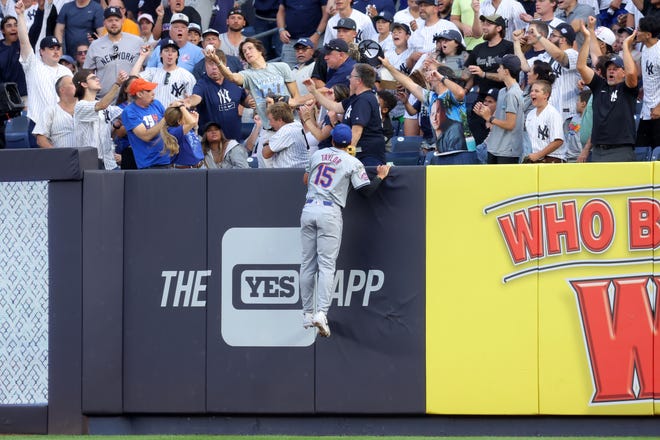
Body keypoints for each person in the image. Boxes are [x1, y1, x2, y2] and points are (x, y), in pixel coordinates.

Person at [299, 123, 391, 337]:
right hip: (330, 212)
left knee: (307, 264)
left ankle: (306, 313)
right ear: (349, 143)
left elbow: (305, 180)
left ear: (331, 140)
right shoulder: (352, 161)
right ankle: (321, 312)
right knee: (327, 265)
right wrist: (381, 176)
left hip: (309, 207)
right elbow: (366, 191)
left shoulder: (318, 155)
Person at [576, 22, 638, 162]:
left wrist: (626, 47)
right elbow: (581, 66)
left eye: (615, 68)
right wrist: (587, 38)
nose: (611, 70)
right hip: (598, 150)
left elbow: (632, 73)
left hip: (621, 150)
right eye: (609, 68)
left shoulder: (627, 89)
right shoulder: (599, 86)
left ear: (623, 72)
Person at [16, 0, 73, 147]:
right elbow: (24, 42)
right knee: (38, 168)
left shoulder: (66, 70)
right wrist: (20, 15)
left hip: (62, 125)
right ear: (41, 51)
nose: (56, 51)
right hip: (38, 126)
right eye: (51, 48)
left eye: (58, 48)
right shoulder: (33, 66)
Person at [305, 63, 386, 165]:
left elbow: (356, 132)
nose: (349, 79)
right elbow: (333, 106)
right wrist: (314, 91)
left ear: (359, 80)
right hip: (359, 155)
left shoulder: (364, 100)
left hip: (367, 156)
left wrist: (346, 157)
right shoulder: (355, 99)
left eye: (351, 76)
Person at [462, 13, 513, 145]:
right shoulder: (478, 48)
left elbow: (509, 76)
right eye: (483, 23)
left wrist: (483, 73)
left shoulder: (508, 47)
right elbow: (466, 74)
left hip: (502, 101)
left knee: (497, 142)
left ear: (499, 28)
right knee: (477, 141)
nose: (484, 27)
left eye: (488, 24)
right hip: (481, 101)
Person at [189, 48, 252, 140]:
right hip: (210, 143)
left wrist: (250, 102)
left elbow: (244, 100)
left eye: (217, 63)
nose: (214, 67)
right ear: (205, 65)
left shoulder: (233, 80)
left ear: (224, 65)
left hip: (234, 140)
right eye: (210, 63)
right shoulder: (202, 84)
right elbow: (196, 97)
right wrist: (189, 102)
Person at [473, 54, 524, 163]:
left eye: (500, 68)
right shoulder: (502, 92)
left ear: (506, 71)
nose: (497, 70)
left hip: (507, 151)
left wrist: (489, 118)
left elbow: (510, 124)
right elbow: (498, 119)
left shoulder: (513, 94)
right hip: (494, 148)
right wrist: (483, 113)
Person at [73, 68, 127, 169]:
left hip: (109, 162)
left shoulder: (107, 107)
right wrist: (117, 84)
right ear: (84, 84)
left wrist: (116, 126)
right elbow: (101, 105)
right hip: (90, 162)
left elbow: (126, 115)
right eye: (93, 78)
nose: (97, 79)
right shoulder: (80, 106)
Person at [83, 6, 142, 97]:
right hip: (104, 99)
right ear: (104, 23)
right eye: (110, 20)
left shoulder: (137, 41)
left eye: (116, 20)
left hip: (132, 99)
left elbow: (146, 67)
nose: (113, 23)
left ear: (122, 21)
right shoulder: (95, 45)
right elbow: (88, 73)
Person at [121, 77, 173, 169]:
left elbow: (169, 127)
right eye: (149, 91)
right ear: (139, 94)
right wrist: (166, 118)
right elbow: (145, 136)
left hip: (167, 159)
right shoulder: (129, 111)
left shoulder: (156, 104)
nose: (153, 93)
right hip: (149, 164)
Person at [131, 39, 196, 106]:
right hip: (155, 114)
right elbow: (133, 80)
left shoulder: (187, 76)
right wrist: (142, 56)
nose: (170, 54)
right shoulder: (153, 72)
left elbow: (192, 100)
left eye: (173, 51)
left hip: (175, 115)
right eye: (166, 51)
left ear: (177, 55)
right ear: (160, 54)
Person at [635, 16, 660, 160]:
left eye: (640, 30)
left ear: (648, 35)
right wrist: (644, 87)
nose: (636, 32)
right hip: (646, 111)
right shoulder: (645, 47)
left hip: (657, 111)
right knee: (641, 152)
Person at [523, 80, 565, 163]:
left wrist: (539, 155)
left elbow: (558, 141)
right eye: (531, 91)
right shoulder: (530, 114)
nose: (532, 93)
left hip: (552, 159)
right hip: (534, 157)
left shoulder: (553, 113)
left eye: (536, 91)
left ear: (546, 95)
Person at [276, 0, 328, 67]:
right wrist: (281, 30)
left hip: (314, 40)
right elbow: (281, 11)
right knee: (288, 71)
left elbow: (326, 14)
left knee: (317, 69)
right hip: (291, 40)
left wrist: (317, 34)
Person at [33, 75, 77, 148]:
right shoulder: (50, 110)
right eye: (73, 83)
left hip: (86, 156)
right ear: (62, 90)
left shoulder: (86, 107)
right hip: (62, 157)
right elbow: (41, 139)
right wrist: (56, 155)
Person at [262, 101, 309, 168]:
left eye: (271, 120)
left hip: (290, 173)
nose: (270, 124)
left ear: (280, 120)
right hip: (300, 170)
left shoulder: (286, 130)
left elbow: (266, 154)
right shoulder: (296, 123)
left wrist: (266, 144)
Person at [161, 103, 205, 168]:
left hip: (198, 165)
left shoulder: (184, 128)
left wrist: (195, 127)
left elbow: (193, 142)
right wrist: (181, 106)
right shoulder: (174, 131)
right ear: (179, 121)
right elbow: (192, 122)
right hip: (186, 169)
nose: (188, 116)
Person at [565, 88, 590, 162]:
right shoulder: (574, 118)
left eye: (578, 100)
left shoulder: (589, 120)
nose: (576, 103)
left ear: (583, 104)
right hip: (570, 157)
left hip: (581, 157)